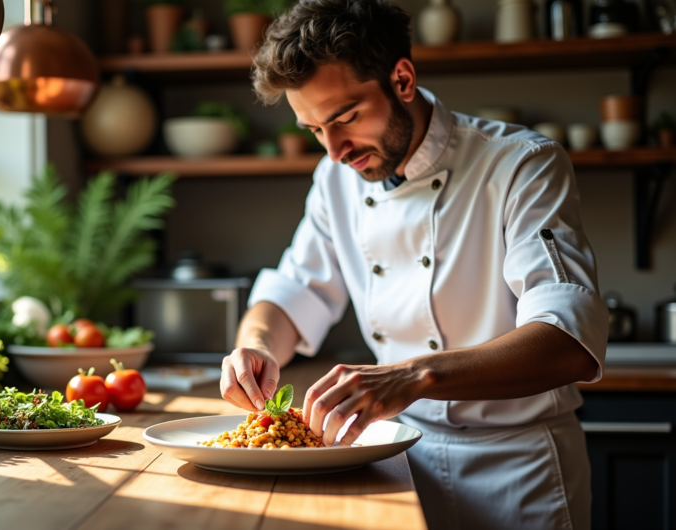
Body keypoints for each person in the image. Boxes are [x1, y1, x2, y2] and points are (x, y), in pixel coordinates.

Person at [218, 1, 608, 529]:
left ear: (401, 79)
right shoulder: (336, 180)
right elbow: (294, 292)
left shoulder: (521, 164)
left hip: (518, 472)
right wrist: (256, 346)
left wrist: (412, 376)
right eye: (314, 130)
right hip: (396, 460)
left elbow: (569, 344)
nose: (334, 151)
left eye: (345, 117)